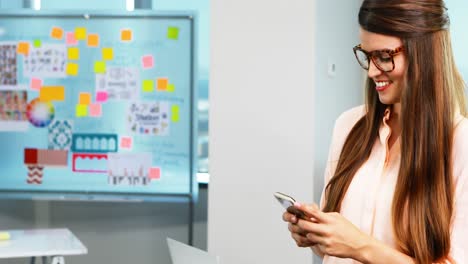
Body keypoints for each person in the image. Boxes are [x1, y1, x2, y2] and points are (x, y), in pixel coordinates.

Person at [282, 0, 468, 263]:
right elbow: (335, 250)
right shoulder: (348, 126)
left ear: (425, 53)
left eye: (384, 57)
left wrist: (361, 247)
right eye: (367, 55)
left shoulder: (461, 144)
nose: (371, 71)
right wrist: (317, 234)